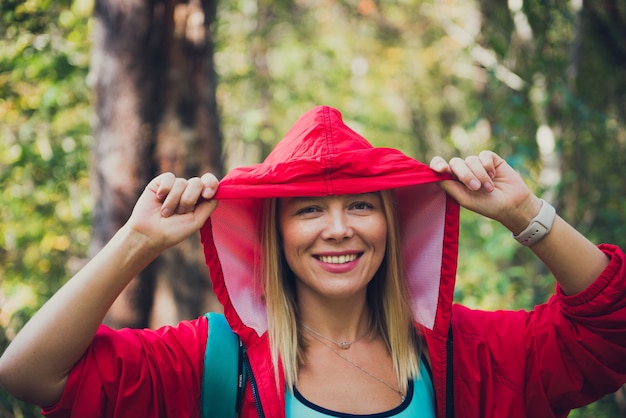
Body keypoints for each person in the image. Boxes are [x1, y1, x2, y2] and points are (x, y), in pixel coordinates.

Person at [0, 105, 625, 418]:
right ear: (274, 234)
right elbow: (31, 376)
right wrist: (136, 241)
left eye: (360, 205)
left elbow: (609, 336)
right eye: (306, 211)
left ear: (392, 222)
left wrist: (526, 214)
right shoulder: (212, 363)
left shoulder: (470, 352)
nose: (336, 230)